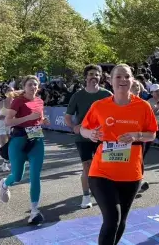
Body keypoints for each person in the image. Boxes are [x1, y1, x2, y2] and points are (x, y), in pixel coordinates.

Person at [80, 64, 158, 245]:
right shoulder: (99, 106)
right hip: (102, 172)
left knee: (121, 220)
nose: (123, 80)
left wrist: (136, 135)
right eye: (118, 77)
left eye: (127, 76)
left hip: (131, 173)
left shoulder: (143, 106)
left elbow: (152, 134)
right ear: (110, 81)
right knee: (112, 218)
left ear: (132, 80)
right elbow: (84, 128)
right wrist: (90, 134)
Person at [0, 75, 51, 226]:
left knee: (35, 175)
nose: (33, 87)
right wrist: (27, 117)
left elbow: (39, 119)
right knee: (17, 176)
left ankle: (34, 211)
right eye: (30, 85)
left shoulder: (40, 101)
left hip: (36, 140)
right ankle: (4, 183)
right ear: (24, 86)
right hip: (19, 140)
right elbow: (8, 121)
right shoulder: (18, 101)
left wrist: (43, 121)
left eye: (35, 85)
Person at [64, 64, 112, 209]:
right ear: (86, 77)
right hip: (83, 137)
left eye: (97, 74)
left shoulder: (107, 95)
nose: (94, 77)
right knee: (87, 166)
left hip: (102, 136)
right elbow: (68, 117)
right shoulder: (78, 96)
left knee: (104, 166)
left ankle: (103, 193)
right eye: (91, 74)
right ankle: (86, 196)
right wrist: (74, 127)